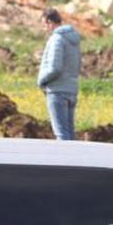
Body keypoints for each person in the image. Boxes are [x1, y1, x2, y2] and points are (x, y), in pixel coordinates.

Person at [37, 8, 82, 140]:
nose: (45, 29)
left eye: (44, 24)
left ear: (50, 22)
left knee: (61, 134)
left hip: (57, 91)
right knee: (69, 132)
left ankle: (65, 161)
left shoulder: (57, 39)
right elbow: (77, 65)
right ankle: (74, 160)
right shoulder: (73, 40)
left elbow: (55, 68)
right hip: (71, 90)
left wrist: (41, 81)